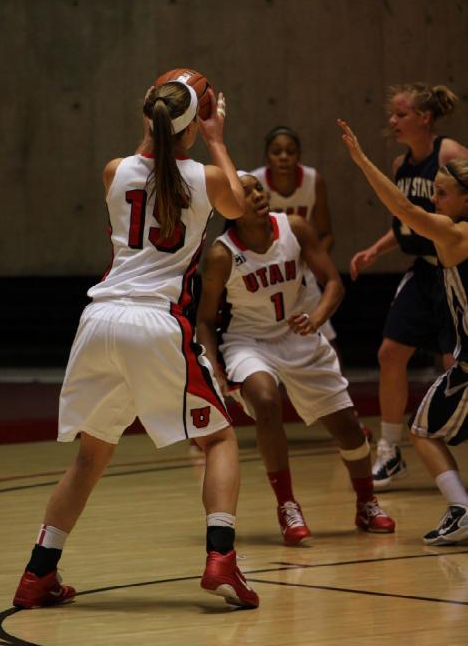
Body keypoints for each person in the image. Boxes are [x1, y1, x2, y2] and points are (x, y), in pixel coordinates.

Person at [12, 80, 260, 611]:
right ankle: (221, 559)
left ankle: (38, 572)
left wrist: (170, 108)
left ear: (147, 118)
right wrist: (217, 138)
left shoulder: (114, 169)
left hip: (99, 319)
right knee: (219, 440)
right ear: (194, 125)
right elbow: (239, 207)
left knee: (90, 456)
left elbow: (154, 152)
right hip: (155, 321)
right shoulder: (207, 177)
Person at [196, 173, 396, 546]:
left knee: (349, 428)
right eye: (248, 191)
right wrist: (215, 374)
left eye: (259, 188)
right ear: (230, 206)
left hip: (300, 334)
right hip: (249, 342)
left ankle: (367, 502)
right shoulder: (222, 254)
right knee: (266, 402)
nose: (258, 194)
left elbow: (334, 282)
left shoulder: (296, 228)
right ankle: (287, 505)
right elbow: (205, 322)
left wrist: (317, 317)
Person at [339, 120, 468, 546]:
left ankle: (461, 508)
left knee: (424, 430)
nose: (434, 199)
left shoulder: (453, 234)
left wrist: (360, 161)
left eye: (442, 193)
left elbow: (403, 210)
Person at [251, 125, 336, 343]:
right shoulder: (254, 183)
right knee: (269, 341)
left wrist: (310, 262)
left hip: (302, 271)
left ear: (298, 155)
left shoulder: (312, 179)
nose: (284, 157)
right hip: (267, 273)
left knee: (327, 339)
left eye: (290, 151)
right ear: (267, 156)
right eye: (276, 151)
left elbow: (326, 235)